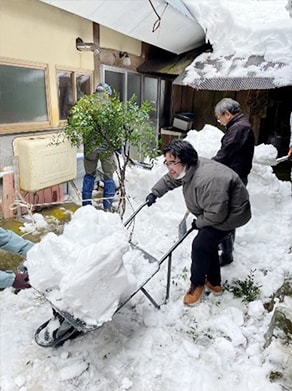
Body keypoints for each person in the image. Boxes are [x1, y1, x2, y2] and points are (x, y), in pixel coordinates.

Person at [145, 139, 251, 306]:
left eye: (172, 162)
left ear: (186, 160)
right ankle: (215, 283)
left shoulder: (208, 181)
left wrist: (198, 223)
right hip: (215, 209)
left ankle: (197, 284)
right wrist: (155, 193)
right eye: (167, 162)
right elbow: (172, 179)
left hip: (232, 214)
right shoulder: (187, 168)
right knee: (208, 244)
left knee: (200, 245)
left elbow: (217, 215)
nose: (169, 167)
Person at [212, 98, 255, 266]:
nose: (220, 122)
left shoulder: (238, 129)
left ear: (227, 114)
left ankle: (227, 254)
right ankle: (224, 246)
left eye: (219, 118)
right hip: (235, 177)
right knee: (229, 215)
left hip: (234, 179)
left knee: (226, 217)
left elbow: (224, 154)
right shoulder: (240, 126)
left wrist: (206, 167)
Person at [82, 82, 116, 211]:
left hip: (90, 149)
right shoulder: (111, 108)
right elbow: (114, 130)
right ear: (107, 93)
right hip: (106, 148)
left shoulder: (86, 106)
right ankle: (107, 207)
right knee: (108, 176)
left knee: (89, 175)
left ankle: (86, 206)